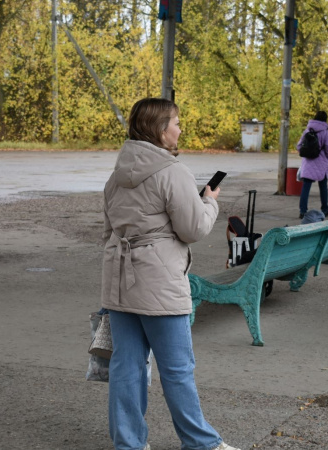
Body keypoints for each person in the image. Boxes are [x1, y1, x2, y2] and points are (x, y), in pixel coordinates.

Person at [100, 98, 239, 450]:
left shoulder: (116, 174)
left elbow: (110, 228)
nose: (179, 129)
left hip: (119, 279)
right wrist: (208, 202)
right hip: (159, 282)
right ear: (161, 130)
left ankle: (129, 444)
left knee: (126, 368)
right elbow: (192, 229)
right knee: (177, 369)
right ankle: (201, 444)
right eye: (176, 122)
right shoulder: (173, 171)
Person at [296, 111, 328, 219]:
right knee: (323, 187)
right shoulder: (326, 132)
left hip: (308, 163)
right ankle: (325, 208)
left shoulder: (307, 130)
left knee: (306, 187)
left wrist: (307, 153)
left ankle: (303, 211)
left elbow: (299, 146)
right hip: (321, 163)